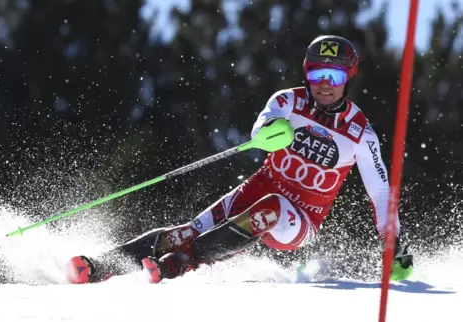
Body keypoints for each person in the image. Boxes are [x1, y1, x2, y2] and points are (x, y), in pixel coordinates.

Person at [65, 35, 414, 285]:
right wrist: (269, 131)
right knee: (188, 230)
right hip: (256, 191)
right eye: (316, 74)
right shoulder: (288, 102)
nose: (324, 84)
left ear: (347, 79)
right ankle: (103, 264)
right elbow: (260, 127)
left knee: (274, 205)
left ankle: (185, 263)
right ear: (306, 75)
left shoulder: (359, 133)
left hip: (300, 220)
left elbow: (381, 194)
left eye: (334, 76)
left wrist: (392, 239)